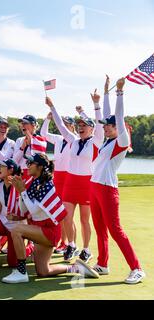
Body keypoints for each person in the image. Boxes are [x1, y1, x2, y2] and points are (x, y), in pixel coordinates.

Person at [1, 153, 99, 284]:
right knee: (43, 271)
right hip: (40, 230)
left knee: (16, 230)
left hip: (49, 231)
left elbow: (34, 210)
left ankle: (21, 272)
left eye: (31, 163)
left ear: (40, 167)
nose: (28, 166)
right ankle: (76, 268)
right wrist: (20, 191)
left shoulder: (46, 184)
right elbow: (25, 209)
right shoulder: (33, 182)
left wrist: (22, 191)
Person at [90, 77, 145, 284]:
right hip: (94, 187)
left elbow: (118, 117)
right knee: (100, 228)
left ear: (117, 127)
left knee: (115, 230)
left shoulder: (122, 141)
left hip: (107, 190)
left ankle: (137, 268)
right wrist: (103, 95)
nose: (104, 128)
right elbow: (108, 116)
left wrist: (119, 92)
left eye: (108, 126)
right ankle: (102, 264)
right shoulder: (108, 141)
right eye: (105, 126)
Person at [45, 91, 104, 263]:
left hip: (86, 183)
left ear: (91, 128)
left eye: (84, 124)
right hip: (71, 182)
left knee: (85, 220)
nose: (81, 127)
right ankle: (71, 245)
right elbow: (61, 126)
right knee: (66, 217)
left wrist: (96, 104)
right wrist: (52, 107)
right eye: (79, 125)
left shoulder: (96, 141)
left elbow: (100, 125)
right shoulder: (73, 140)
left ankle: (86, 249)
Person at [40, 112, 77, 254]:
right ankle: (62, 242)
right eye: (64, 124)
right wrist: (47, 119)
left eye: (68, 124)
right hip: (57, 177)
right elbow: (43, 133)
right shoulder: (59, 138)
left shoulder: (75, 140)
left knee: (67, 214)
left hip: (69, 177)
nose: (66, 127)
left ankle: (69, 243)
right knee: (58, 211)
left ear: (72, 126)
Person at [12, 115, 47, 180]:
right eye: (22, 123)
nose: (22, 125)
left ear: (33, 125)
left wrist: (31, 142)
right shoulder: (19, 140)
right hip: (20, 173)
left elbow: (40, 160)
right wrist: (22, 147)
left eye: (25, 123)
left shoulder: (41, 140)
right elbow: (15, 161)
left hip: (34, 174)